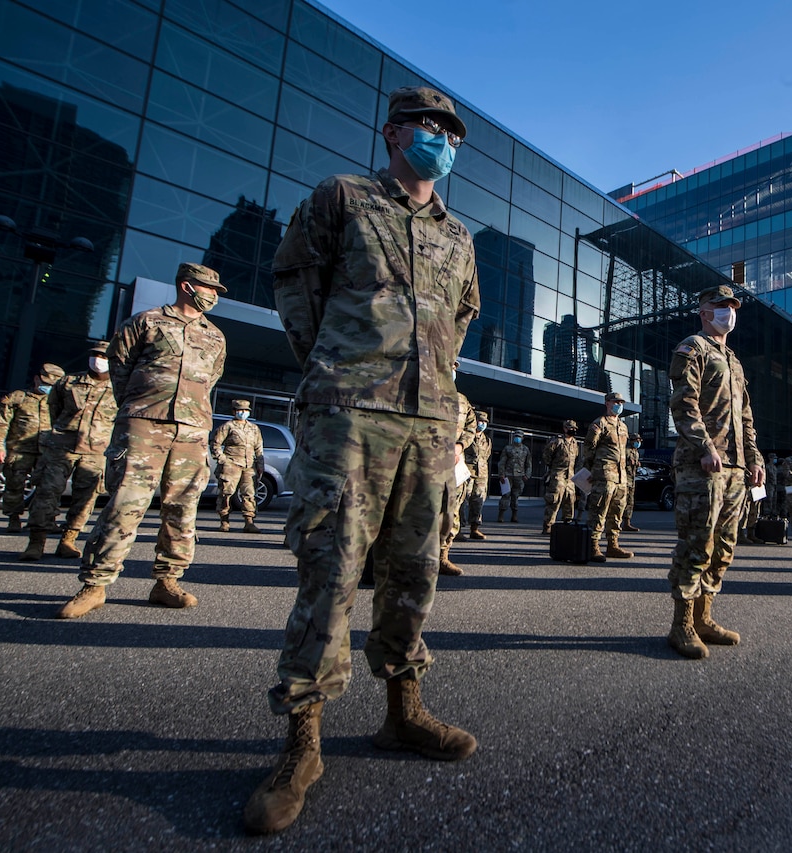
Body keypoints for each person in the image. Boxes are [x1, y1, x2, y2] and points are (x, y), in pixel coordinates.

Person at [243, 86, 480, 835]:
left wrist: (434, 385)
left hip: (429, 422)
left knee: (415, 572)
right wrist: (338, 369)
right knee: (332, 572)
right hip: (348, 414)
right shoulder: (341, 198)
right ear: (393, 132)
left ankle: (403, 713)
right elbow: (295, 281)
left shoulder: (459, 235)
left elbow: (461, 315)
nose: (440, 138)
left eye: (450, 131)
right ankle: (300, 746)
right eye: (428, 125)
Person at [57, 262, 227, 620]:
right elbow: (120, 369)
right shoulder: (146, 322)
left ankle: (167, 581)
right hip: (143, 426)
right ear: (186, 285)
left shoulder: (215, 336)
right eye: (209, 289)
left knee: (183, 509)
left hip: (191, 431)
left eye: (215, 291)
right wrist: (139, 408)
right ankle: (96, 584)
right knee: (125, 503)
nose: (213, 295)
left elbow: (211, 380)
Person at [666, 285, 765, 658]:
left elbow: (746, 417)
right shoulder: (693, 347)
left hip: (736, 468)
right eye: (721, 307)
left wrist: (754, 459)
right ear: (705, 312)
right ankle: (683, 625)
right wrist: (704, 446)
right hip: (702, 465)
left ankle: (705, 617)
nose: (729, 312)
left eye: (733, 307)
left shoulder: (734, 360)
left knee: (723, 547)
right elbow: (683, 403)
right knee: (696, 544)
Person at [20, 343, 116, 560]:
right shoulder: (69, 382)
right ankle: (36, 542)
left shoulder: (119, 387)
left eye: (103, 356)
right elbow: (53, 408)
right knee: (47, 491)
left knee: (86, 499)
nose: (98, 359)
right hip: (62, 446)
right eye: (95, 355)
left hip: (95, 450)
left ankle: (68, 540)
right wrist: (62, 432)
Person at [0, 362, 65, 531]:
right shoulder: (18, 398)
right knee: (14, 485)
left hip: (47, 451)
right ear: (37, 379)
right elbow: (1, 423)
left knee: (49, 487)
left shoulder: (58, 402)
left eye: (52, 385)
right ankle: (14, 519)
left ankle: (47, 520)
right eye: (45, 384)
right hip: (20, 449)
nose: (47, 388)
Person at [583, 392, 634, 562]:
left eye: (621, 402)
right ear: (607, 403)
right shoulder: (599, 424)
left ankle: (613, 545)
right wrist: (591, 470)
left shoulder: (623, 426)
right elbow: (589, 448)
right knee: (599, 510)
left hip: (621, 477)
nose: (619, 404)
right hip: (604, 474)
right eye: (616, 402)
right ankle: (593, 546)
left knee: (617, 511)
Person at [438, 367, 477, 576]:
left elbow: (471, 427)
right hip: (425, 462)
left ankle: (443, 556)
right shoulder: (426, 391)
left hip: (454, 464)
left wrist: (460, 446)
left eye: (454, 368)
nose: (451, 372)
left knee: (452, 509)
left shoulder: (462, 401)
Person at [210, 399, 265, 534]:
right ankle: (224, 520)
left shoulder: (253, 428)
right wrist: (223, 460)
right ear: (234, 411)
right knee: (226, 493)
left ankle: (249, 522)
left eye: (246, 411)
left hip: (249, 465)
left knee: (249, 493)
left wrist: (260, 464)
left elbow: (259, 448)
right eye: (240, 410)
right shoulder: (227, 426)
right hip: (231, 464)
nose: (243, 413)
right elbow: (215, 444)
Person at [541, 419, 579, 534]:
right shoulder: (557, 441)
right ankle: (548, 526)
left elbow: (576, 458)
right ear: (565, 428)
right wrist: (553, 469)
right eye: (570, 428)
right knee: (554, 500)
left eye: (574, 428)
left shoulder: (574, 442)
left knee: (570, 500)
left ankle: (567, 524)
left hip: (570, 476)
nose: (572, 430)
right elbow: (547, 455)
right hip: (558, 475)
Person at [460, 410, 492, 540]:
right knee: (461, 501)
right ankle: (457, 530)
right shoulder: (466, 436)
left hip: (481, 475)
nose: (482, 424)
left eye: (485, 422)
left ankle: (474, 528)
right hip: (466, 472)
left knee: (478, 501)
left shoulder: (486, 439)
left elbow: (486, 456)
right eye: (480, 421)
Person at [496, 430, 531, 523]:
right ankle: (501, 515)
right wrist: (501, 474)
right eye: (516, 436)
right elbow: (502, 462)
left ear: (522, 438)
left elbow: (528, 463)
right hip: (508, 475)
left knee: (516, 496)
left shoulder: (525, 449)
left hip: (520, 476)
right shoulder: (507, 448)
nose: (517, 438)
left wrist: (527, 474)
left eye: (519, 437)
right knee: (505, 495)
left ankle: (514, 515)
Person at [620, 435, 642, 532]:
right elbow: (620, 462)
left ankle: (627, 523)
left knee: (630, 503)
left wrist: (637, 464)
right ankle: (616, 523)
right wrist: (629, 462)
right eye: (636, 440)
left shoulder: (636, 453)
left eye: (639, 440)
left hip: (632, 480)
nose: (638, 442)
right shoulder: (626, 450)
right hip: (625, 480)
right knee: (621, 502)